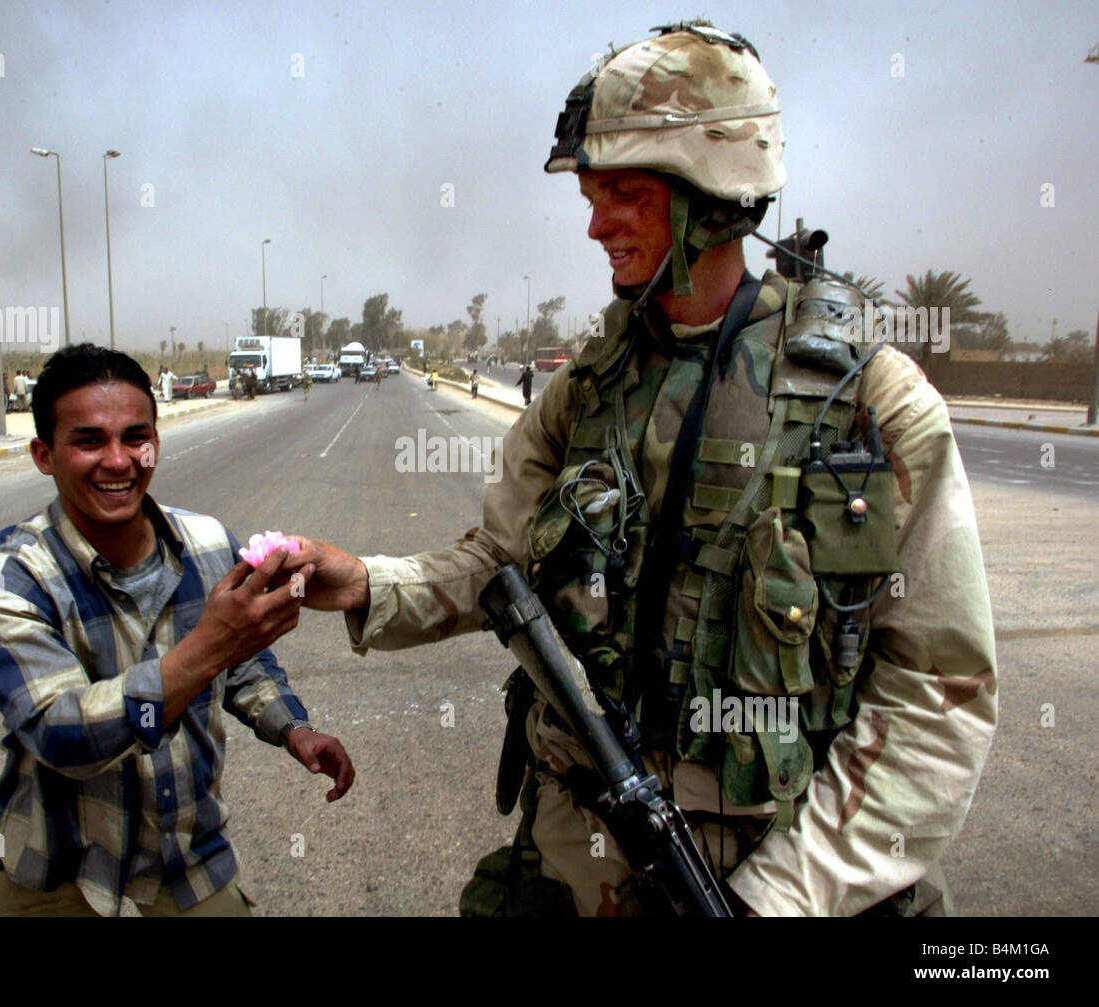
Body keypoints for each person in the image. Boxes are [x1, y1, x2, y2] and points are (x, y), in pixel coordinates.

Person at [281, 22, 996, 917]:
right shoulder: (588, 388)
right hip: (579, 870)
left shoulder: (869, 406)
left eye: (622, 192)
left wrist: (777, 900)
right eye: (589, 194)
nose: (593, 223)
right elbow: (498, 566)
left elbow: (938, 696)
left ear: (711, 190)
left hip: (776, 886)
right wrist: (366, 585)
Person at [0, 344, 355, 917]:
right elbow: (61, 734)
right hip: (56, 875)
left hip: (187, 863)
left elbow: (243, 662)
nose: (118, 462)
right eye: (89, 440)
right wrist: (208, 646)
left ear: (156, 443)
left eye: (135, 437)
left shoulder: (210, 543)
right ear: (44, 454)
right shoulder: (5, 580)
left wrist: (292, 727)